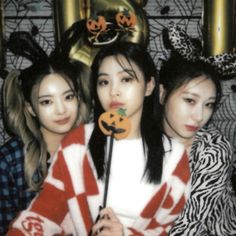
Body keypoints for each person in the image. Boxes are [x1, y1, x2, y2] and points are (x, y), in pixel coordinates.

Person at [7, 42, 190, 236]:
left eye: (126, 79)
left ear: (149, 86)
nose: (113, 91)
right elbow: (46, 211)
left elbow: (164, 229)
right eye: (104, 82)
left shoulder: (174, 156)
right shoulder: (77, 144)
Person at [0, 49, 91, 234]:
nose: (61, 110)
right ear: (30, 108)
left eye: (68, 97)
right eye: (46, 102)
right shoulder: (9, 161)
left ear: (78, 97)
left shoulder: (97, 147)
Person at [156, 56, 236, 235]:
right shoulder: (143, 141)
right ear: (162, 94)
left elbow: (189, 225)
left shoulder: (214, 150)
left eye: (208, 105)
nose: (200, 116)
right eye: (190, 100)